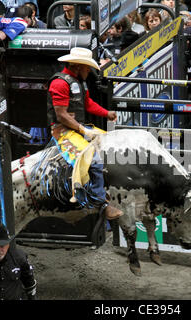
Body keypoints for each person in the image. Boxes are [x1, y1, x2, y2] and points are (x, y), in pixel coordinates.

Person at [47, 47, 123, 220]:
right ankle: (100, 204)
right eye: (87, 67)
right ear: (78, 66)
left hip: (78, 127)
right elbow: (61, 115)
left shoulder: (78, 81)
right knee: (93, 159)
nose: (89, 71)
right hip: (63, 131)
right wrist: (83, 130)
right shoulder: (59, 83)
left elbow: (87, 103)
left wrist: (106, 113)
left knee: (112, 142)